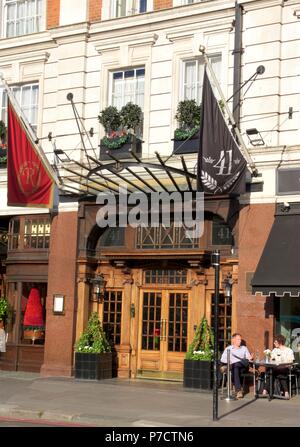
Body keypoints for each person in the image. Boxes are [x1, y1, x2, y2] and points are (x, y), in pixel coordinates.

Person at [220, 333, 253, 399]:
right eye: (238, 339)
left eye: (240, 339)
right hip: (234, 367)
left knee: (236, 365)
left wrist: (250, 358)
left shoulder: (244, 348)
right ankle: (238, 391)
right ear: (233, 340)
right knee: (235, 367)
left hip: (243, 367)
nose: (240, 341)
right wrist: (230, 361)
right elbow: (222, 359)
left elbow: (248, 359)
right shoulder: (228, 349)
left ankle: (227, 368)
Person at [262, 334, 294, 399]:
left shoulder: (288, 350)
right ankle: (264, 391)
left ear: (280, 342)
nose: (274, 343)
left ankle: (286, 392)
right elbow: (271, 359)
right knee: (269, 372)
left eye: (275, 342)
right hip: (275, 368)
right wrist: (269, 356)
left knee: (281, 372)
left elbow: (291, 361)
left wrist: (284, 364)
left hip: (285, 368)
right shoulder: (275, 350)